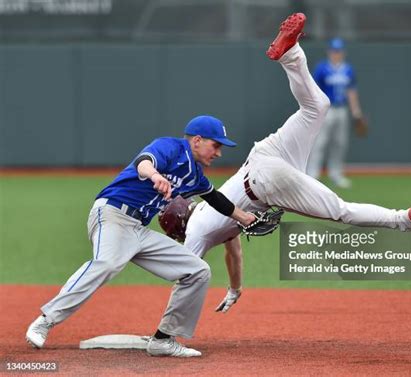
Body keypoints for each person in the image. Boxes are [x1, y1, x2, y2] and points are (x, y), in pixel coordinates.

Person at [181, 13, 411, 313]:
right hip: (263, 155)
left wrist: (165, 332)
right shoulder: (209, 207)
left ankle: (404, 219)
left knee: (342, 211)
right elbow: (233, 252)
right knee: (317, 106)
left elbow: (186, 275)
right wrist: (235, 289)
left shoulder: (195, 232)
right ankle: (291, 54)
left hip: (266, 184)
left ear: (176, 229)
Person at [25, 115, 255, 357]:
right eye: (216, 145)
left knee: (197, 270)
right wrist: (155, 175)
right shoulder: (171, 147)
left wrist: (245, 218)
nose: (218, 153)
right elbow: (143, 162)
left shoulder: (195, 175)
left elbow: (216, 199)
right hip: (112, 214)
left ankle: (164, 340)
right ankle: (46, 320)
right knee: (108, 263)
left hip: (139, 229)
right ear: (197, 140)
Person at [305, 37, 365, 188]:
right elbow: (313, 89)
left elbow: (351, 91)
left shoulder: (348, 69)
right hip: (326, 110)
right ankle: (313, 174)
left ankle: (336, 174)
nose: (336, 54)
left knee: (339, 143)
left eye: (338, 51)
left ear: (343, 52)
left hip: (342, 109)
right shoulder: (322, 68)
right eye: (333, 51)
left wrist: (356, 111)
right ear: (329, 52)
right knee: (320, 142)